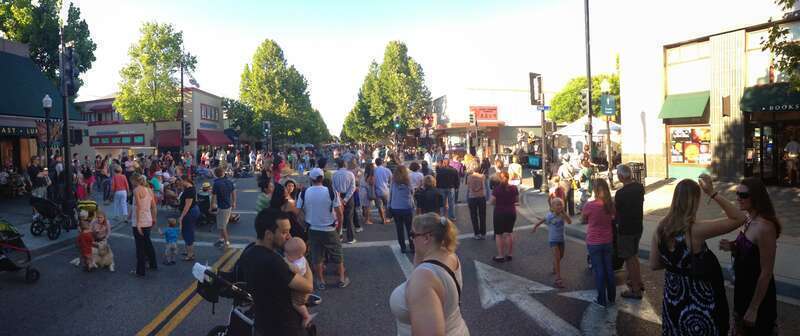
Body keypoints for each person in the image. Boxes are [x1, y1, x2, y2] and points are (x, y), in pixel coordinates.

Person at [650, 175, 745, 335]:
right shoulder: (695, 231)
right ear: (694, 202)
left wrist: (676, 266)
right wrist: (712, 193)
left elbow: (654, 264)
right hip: (698, 305)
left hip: (672, 302)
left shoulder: (660, 227)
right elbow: (739, 218)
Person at [233, 209, 314, 336]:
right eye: (284, 232)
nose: (289, 236)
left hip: (261, 323)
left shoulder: (249, 252)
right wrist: (302, 259)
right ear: (269, 234)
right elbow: (308, 286)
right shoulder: (274, 262)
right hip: (284, 327)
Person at [390, 213, 469, 336]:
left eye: (413, 235)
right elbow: (417, 271)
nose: (411, 239)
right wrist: (419, 251)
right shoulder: (450, 256)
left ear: (427, 238)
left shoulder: (423, 280)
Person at [720, 178, 780, 334]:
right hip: (743, 289)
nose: (738, 198)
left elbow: (766, 272)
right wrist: (732, 246)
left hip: (758, 297)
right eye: (737, 193)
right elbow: (749, 249)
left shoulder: (765, 227)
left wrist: (754, 308)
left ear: (756, 197)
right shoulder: (748, 218)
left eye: (743, 195)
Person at [298, 168, 350, 290]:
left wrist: (304, 223)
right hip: (329, 228)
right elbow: (339, 213)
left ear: (311, 179)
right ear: (322, 178)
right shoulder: (331, 192)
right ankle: (342, 279)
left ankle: (320, 281)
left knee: (317, 255)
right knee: (337, 253)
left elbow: (298, 212)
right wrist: (339, 228)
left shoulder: (304, 192)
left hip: (313, 229)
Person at [581, 178, 615, 306]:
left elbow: (583, 219)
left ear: (594, 190)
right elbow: (613, 217)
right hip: (607, 240)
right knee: (609, 269)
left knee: (599, 270)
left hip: (594, 241)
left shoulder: (590, 205)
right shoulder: (610, 205)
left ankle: (601, 299)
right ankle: (612, 297)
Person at [614, 164, 646, 299]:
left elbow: (617, 212)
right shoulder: (639, 188)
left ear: (621, 176)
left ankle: (635, 289)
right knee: (634, 256)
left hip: (626, 229)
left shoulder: (620, 193)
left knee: (630, 259)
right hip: (637, 226)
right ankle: (638, 281)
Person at [532, 198, 571, 288]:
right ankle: (558, 279)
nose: (560, 206)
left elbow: (569, 222)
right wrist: (535, 227)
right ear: (552, 207)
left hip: (561, 239)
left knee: (561, 256)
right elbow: (542, 221)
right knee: (557, 258)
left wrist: (564, 214)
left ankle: (555, 265)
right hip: (553, 240)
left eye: (561, 204)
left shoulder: (562, 215)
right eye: (557, 205)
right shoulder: (550, 216)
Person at [284, 237, 313, 328]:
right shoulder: (298, 257)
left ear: (300, 255)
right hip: (298, 286)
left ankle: (306, 316)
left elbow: (294, 269)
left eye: (288, 254)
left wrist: (286, 262)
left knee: (297, 303)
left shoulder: (299, 262)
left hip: (300, 290)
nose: (285, 254)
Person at [131, 174, 157, 277]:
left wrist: (138, 224)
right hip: (148, 220)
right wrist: (154, 218)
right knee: (148, 243)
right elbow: (154, 207)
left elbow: (138, 207)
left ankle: (140, 271)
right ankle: (153, 264)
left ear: (134, 181)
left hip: (139, 221)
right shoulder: (149, 190)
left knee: (140, 247)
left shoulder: (136, 190)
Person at [489, 171, 518, 262]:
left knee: (499, 234)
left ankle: (500, 255)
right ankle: (510, 254)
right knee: (509, 233)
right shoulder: (514, 188)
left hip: (499, 213)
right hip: (511, 212)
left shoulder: (496, 189)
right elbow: (516, 200)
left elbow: (492, 202)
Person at [390, 165, 416, 253]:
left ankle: (403, 247)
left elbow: (391, 194)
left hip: (396, 207)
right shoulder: (408, 182)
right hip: (406, 207)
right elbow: (412, 192)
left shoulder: (393, 182)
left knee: (399, 228)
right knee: (409, 228)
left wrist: (389, 206)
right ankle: (412, 246)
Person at [332, 159, 358, 244]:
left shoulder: (334, 174)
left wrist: (339, 198)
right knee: (349, 217)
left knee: (339, 217)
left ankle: (339, 236)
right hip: (348, 197)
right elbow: (353, 188)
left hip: (338, 196)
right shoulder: (350, 174)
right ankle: (351, 238)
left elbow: (333, 187)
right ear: (345, 165)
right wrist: (346, 199)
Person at [211, 166, 237, 249]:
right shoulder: (229, 182)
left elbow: (213, 197)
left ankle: (226, 242)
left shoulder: (216, 184)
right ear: (223, 173)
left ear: (215, 174)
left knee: (222, 226)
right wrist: (234, 202)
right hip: (228, 205)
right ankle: (222, 239)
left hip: (221, 206)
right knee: (222, 224)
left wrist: (211, 206)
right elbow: (233, 192)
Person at [177, 177, 199, 261]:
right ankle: (188, 251)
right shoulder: (190, 188)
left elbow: (187, 206)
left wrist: (181, 217)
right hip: (192, 211)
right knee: (187, 231)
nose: (180, 183)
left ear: (185, 181)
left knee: (187, 232)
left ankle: (190, 254)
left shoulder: (189, 191)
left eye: (181, 181)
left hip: (190, 212)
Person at [466, 162, 487, 240]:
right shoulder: (483, 176)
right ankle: (483, 233)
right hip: (481, 197)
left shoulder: (469, 177)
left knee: (473, 216)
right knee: (482, 215)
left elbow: (468, 186)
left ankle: (476, 233)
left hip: (472, 197)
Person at [374, 158, 393, 224]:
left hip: (377, 190)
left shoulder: (374, 170)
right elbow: (391, 179)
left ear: (376, 163)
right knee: (387, 205)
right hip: (386, 189)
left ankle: (383, 219)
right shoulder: (387, 170)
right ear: (382, 163)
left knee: (380, 206)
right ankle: (388, 218)